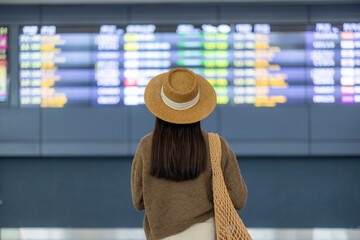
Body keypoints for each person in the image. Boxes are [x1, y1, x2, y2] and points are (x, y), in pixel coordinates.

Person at [131, 68, 248, 240]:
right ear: (198, 107)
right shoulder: (216, 145)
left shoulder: (146, 146)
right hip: (208, 234)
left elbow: (138, 202)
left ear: (161, 107)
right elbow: (239, 199)